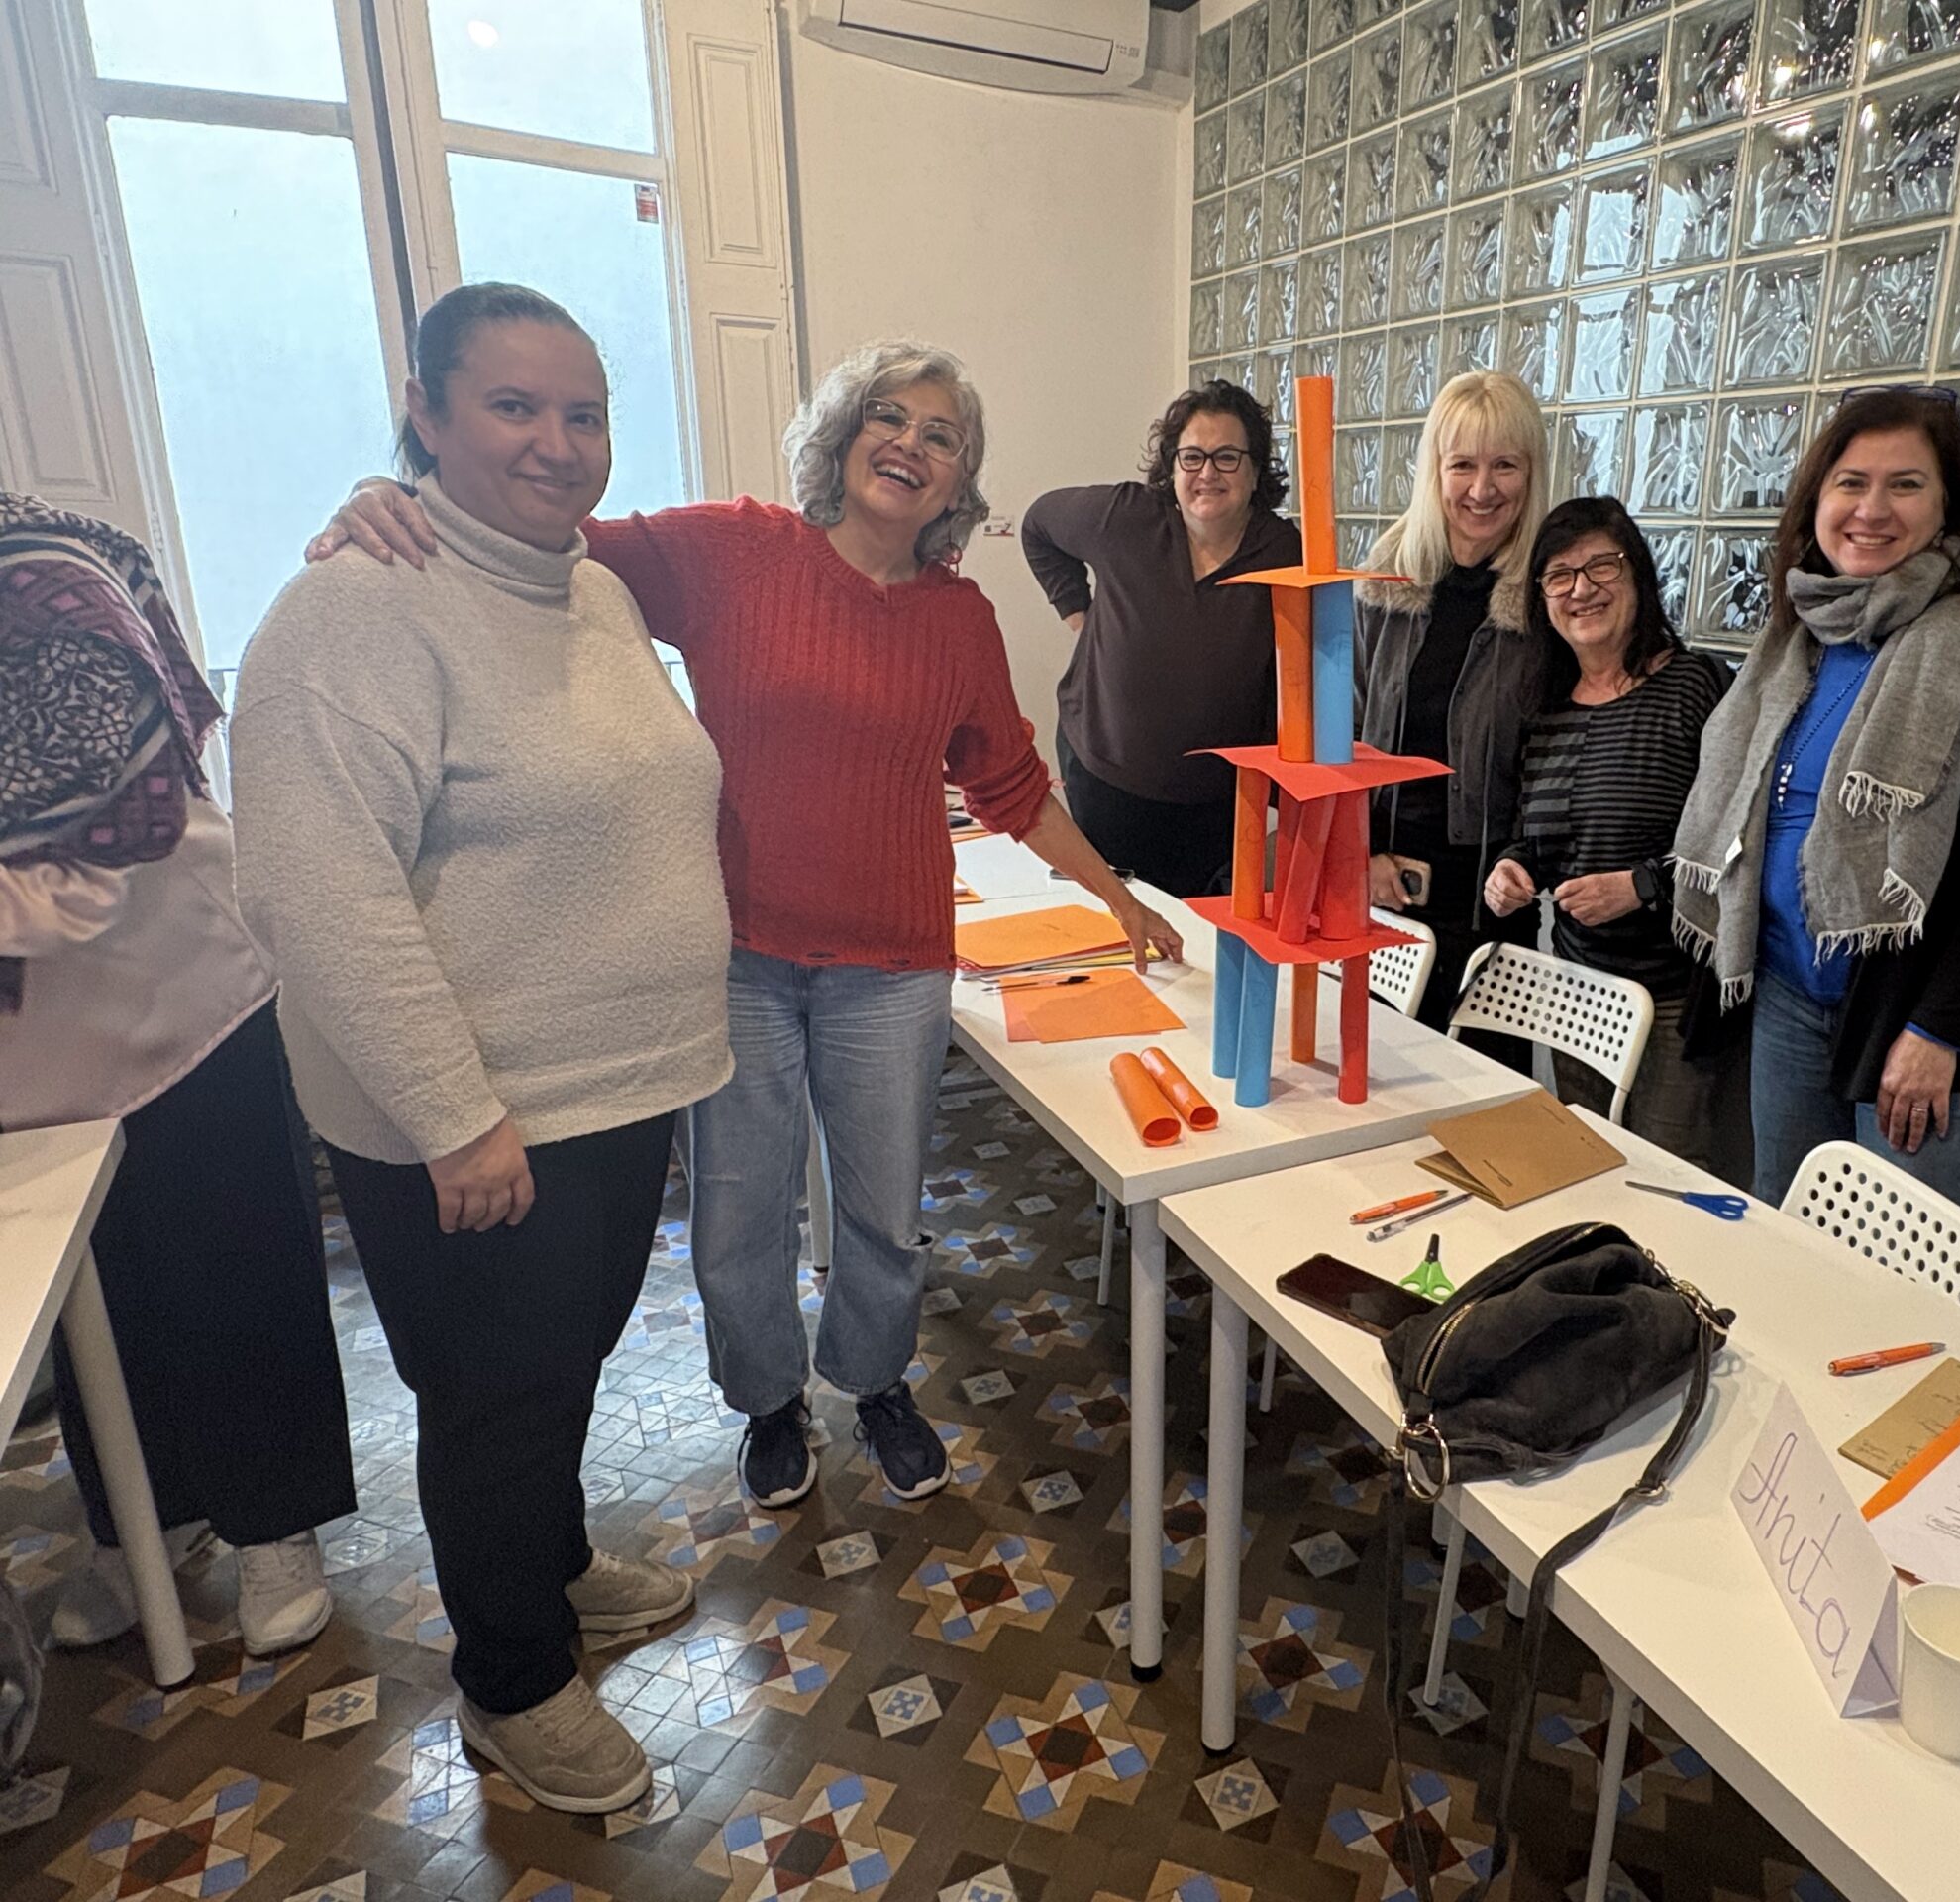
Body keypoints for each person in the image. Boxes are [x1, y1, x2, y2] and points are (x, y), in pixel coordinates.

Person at [307, 338, 1180, 1520]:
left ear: (957, 479)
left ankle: (874, 1380)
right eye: (889, 417)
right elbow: (534, 531)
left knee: (883, 1211)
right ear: (844, 433)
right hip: (736, 957)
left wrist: (1116, 895)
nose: (910, 445)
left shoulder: (960, 620)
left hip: (894, 968)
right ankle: (768, 1401)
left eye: (942, 437)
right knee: (738, 1212)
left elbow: (1010, 785)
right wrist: (395, 494)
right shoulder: (733, 550)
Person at [232, 283, 732, 1813]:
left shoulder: (588, 590)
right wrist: (453, 1115)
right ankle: (511, 1683)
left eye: (584, 413)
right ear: (427, 415)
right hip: (482, 1119)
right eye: (514, 406)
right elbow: (317, 891)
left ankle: (553, 1567)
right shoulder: (354, 611)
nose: (557, 443)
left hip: (612, 1089)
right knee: (493, 1401)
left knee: (556, 1367)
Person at [0, 494, 355, 1659]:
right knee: (94, 1297)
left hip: (176, 988)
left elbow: (104, 852)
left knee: (232, 1263)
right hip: (31, 1055)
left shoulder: (50, 585)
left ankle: (275, 1522)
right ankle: (142, 1523)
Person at [1669, 387, 1960, 1215]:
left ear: (1949, 503)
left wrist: (1939, 1031)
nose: (1872, 509)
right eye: (1851, 483)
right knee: (1787, 1227)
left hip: (1929, 1023)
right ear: (1816, 501)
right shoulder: (1801, 635)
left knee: (1891, 1269)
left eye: (1906, 485)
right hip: (1793, 996)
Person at [1482, 498, 1749, 1182]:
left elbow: (1741, 836)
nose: (1582, 589)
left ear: (1638, 577)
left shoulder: (1695, 684)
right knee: (1590, 1169)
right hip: (1579, 990)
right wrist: (1511, 868)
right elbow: (1535, 837)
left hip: (1673, 995)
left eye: (1602, 566)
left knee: (1668, 1178)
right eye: (1560, 575)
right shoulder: (1542, 704)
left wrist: (1643, 886)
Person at [1023, 380, 1300, 896]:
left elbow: (1299, 673)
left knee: (1194, 927)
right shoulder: (1125, 518)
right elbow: (1038, 525)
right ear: (1171, 467)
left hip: (1214, 800)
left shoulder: (1286, 553)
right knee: (1110, 919)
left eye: (1227, 457)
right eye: (1191, 457)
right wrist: (1078, 614)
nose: (1208, 473)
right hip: (1103, 776)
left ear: (1255, 469)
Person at [1355, 370, 1552, 1032]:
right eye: (1462, 464)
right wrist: (1359, 854)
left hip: (1492, 903)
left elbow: (1561, 755)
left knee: (1483, 1086)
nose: (1481, 489)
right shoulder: (1384, 580)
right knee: (1367, 1068)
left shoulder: (1550, 597)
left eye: (1505, 466)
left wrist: (1526, 862)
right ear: (1434, 470)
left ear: (1532, 472)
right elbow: (1339, 734)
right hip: (1380, 885)